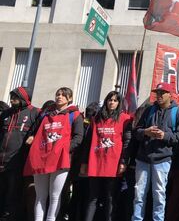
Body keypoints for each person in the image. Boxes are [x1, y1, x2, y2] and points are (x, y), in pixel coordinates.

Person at [24, 87, 84, 221]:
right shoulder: (45, 114)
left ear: (69, 99)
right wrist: (32, 137)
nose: (59, 97)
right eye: (58, 94)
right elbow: (33, 131)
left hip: (60, 160)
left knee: (55, 196)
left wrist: (63, 150)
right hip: (41, 158)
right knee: (40, 196)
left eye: (63, 95)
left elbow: (78, 137)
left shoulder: (75, 115)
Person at [131, 82, 179, 221]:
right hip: (143, 158)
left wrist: (165, 136)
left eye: (162, 93)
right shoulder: (149, 110)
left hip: (163, 160)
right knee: (139, 194)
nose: (159, 96)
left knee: (159, 194)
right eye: (157, 93)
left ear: (170, 94)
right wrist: (146, 132)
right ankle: (136, 219)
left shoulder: (177, 112)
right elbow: (136, 131)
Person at [80, 91, 132, 221]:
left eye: (115, 100)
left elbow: (127, 142)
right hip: (96, 162)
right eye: (110, 100)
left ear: (119, 103)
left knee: (110, 198)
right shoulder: (96, 119)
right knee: (92, 197)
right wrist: (84, 162)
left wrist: (123, 162)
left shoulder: (125, 119)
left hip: (113, 164)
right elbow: (87, 141)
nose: (112, 102)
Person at [0, 87, 39, 221]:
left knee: (13, 195)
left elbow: (38, 132)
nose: (11, 100)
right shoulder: (6, 113)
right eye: (11, 97)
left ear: (24, 98)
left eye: (15, 98)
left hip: (17, 163)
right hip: (1, 160)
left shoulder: (34, 113)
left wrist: (33, 136)